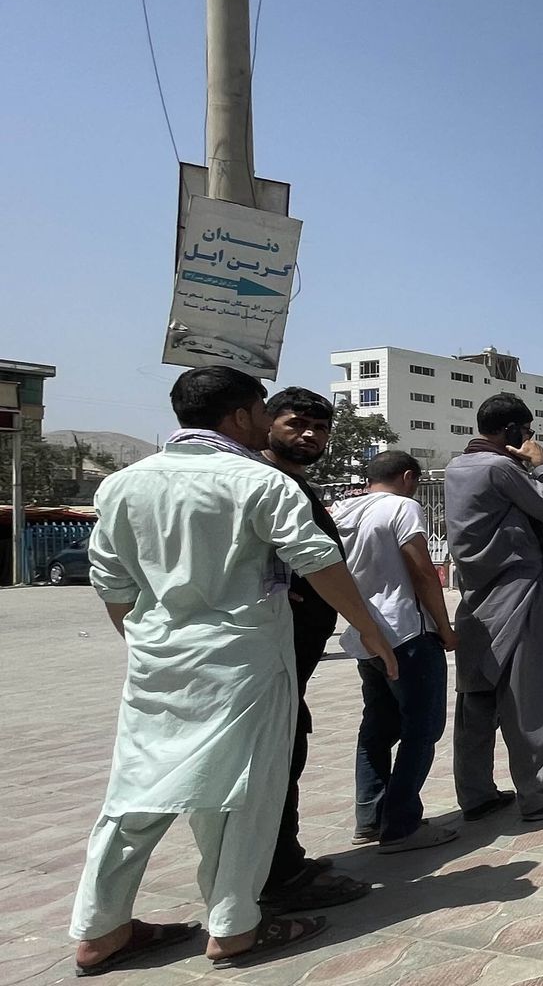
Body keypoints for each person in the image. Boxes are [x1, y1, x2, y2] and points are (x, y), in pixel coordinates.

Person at [71, 367, 398, 974]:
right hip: (244, 663)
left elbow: (111, 583)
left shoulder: (121, 485)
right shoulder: (257, 482)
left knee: (134, 795)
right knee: (244, 794)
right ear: (245, 415)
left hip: (159, 664)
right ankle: (233, 926)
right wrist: (372, 630)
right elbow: (318, 559)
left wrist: (149, 641)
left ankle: (99, 928)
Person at [445, 393, 543, 824]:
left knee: (476, 698)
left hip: (477, 597)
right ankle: (537, 793)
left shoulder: (458, 466)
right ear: (511, 431)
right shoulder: (501, 467)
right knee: (533, 694)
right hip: (521, 589)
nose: (529, 439)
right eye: (526, 432)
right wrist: (541, 464)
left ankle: (475, 794)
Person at [255, 388, 373, 913]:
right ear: (263, 423)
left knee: (289, 751)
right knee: (275, 757)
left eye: (320, 428)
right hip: (268, 651)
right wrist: (368, 630)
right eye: (296, 424)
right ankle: (276, 876)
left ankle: (286, 859)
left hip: (294, 655)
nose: (309, 435)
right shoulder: (262, 485)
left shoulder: (293, 485)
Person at [334, 450, 458, 854]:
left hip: (365, 635)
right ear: (408, 477)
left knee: (377, 728)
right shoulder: (402, 507)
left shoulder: (342, 510)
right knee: (421, 729)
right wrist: (444, 626)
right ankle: (402, 824)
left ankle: (369, 819)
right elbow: (423, 570)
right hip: (407, 632)